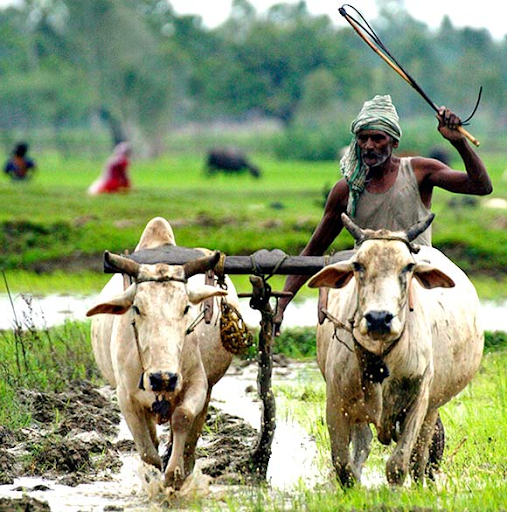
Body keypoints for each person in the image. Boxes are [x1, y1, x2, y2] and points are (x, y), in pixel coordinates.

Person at [274, 94, 492, 334]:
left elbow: (481, 186)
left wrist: (459, 142)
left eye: (378, 138)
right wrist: (282, 305)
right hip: (366, 275)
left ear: (394, 142)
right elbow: (313, 250)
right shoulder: (346, 190)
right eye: (362, 138)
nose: (369, 145)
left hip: (412, 271)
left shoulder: (420, 172)